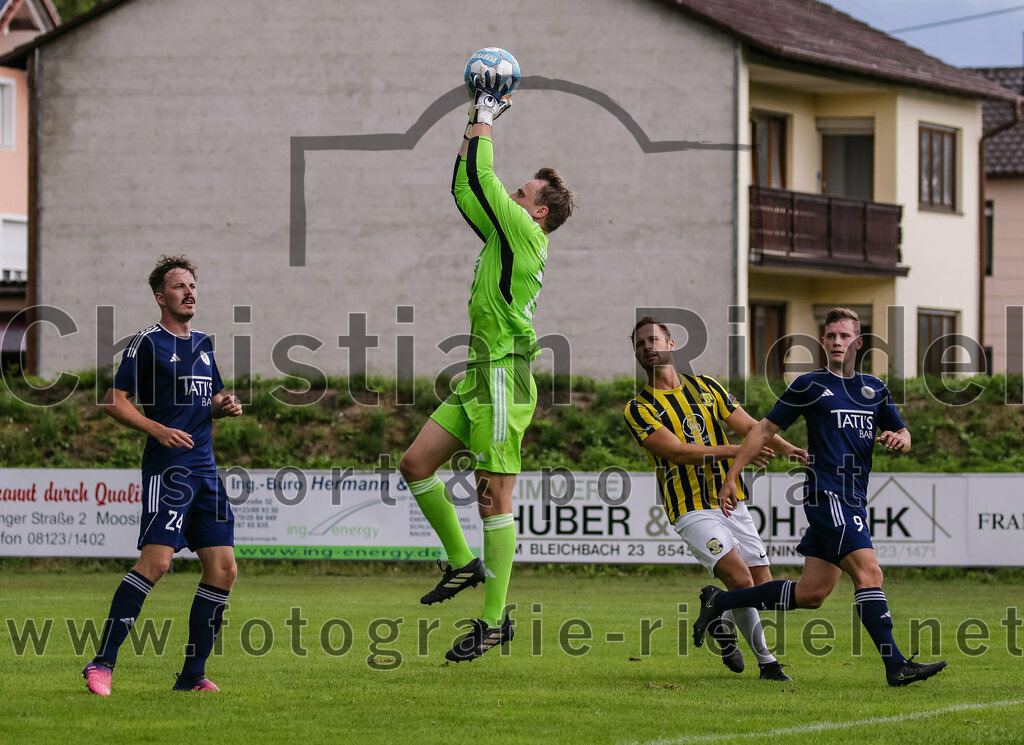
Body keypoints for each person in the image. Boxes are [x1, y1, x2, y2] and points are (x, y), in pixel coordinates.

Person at [398, 75, 576, 662]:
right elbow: (464, 185)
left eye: (523, 193)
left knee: (495, 499)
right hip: (479, 374)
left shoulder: (525, 232)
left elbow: (481, 179)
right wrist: (473, 122)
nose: (515, 197)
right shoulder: (508, 233)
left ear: (540, 212)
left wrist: (487, 114)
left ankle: (495, 621)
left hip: (503, 376)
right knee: (416, 463)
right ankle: (462, 564)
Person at [692, 307, 947, 687]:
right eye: (830, 336)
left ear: (858, 342)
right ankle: (896, 666)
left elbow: (904, 433)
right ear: (823, 341)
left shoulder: (874, 388)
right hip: (828, 493)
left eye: (844, 336)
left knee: (812, 594)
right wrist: (733, 475)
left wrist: (901, 439)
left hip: (854, 497)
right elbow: (763, 430)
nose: (836, 342)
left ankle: (721, 602)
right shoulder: (809, 386)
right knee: (869, 572)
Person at [82, 255, 242, 695]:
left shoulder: (204, 344)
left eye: (192, 285)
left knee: (224, 569)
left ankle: (191, 676)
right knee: (157, 563)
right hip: (169, 470)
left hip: (205, 469)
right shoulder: (147, 342)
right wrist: (156, 428)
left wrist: (222, 407)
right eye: (178, 286)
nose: (189, 292)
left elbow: (203, 403)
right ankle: (101, 663)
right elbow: (115, 400)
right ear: (160, 297)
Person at [624, 317, 806, 681]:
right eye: (640, 344)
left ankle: (719, 616)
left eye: (653, 339)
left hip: (730, 502)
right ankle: (767, 663)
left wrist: (786, 447)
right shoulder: (639, 408)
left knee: (760, 585)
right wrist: (739, 452)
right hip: (690, 508)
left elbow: (751, 426)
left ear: (671, 343)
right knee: (740, 581)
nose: (647, 347)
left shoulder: (706, 386)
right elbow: (678, 452)